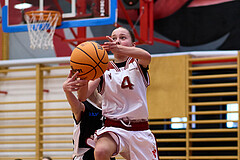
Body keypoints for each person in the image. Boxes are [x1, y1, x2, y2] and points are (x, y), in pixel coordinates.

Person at [77, 27, 159, 160]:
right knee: (101, 151)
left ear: (133, 45)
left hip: (140, 129)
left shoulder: (137, 64)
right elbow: (82, 96)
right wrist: (84, 78)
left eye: (123, 38)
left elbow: (147, 56)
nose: (117, 41)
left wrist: (119, 48)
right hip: (114, 127)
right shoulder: (102, 69)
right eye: (114, 38)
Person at [63, 71, 115, 160]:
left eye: (84, 80)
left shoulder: (108, 104)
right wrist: (67, 91)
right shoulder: (83, 106)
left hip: (106, 154)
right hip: (86, 155)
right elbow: (75, 107)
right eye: (79, 82)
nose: (82, 83)